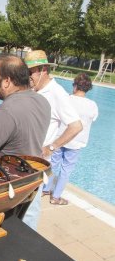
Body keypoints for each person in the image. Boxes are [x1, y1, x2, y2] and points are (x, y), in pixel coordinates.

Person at [22, 50, 83, 230]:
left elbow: (76, 126)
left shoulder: (57, 93)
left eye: (31, 72)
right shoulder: (33, 90)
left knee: (31, 209)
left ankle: (27, 248)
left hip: (37, 163)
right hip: (23, 159)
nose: (28, 76)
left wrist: (52, 146)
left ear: (43, 70)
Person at [0, 54, 50, 159]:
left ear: (6, 81)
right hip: (30, 170)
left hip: (6, 173)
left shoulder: (5, 111)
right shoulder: (43, 101)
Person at [44, 73, 98, 205]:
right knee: (66, 169)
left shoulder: (66, 99)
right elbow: (94, 118)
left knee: (53, 165)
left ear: (75, 86)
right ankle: (55, 197)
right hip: (76, 142)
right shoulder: (92, 105)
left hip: (60, 139)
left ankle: (45, 189)